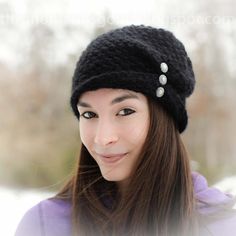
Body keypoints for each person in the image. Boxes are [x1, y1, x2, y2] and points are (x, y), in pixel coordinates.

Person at [15, 25, 236, 236]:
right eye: (89, 115)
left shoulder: (222, 226)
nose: (103, 138)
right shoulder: (43, 226)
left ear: (164, 118)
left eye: (125, 111)